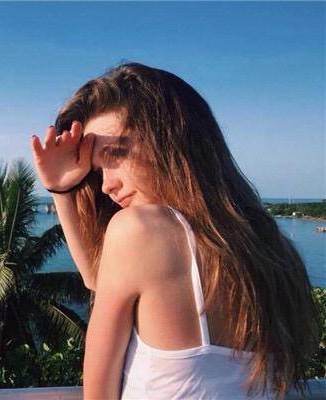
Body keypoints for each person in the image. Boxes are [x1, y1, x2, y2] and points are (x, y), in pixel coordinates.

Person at [30, 62, 319, 399]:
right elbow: (101, 280)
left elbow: (99, 393)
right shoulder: (274, 251)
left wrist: (60, 191)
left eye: (117, 153)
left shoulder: (138, 229)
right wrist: (63, 190)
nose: (107, 185)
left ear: (173, 141)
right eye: (98, 170)